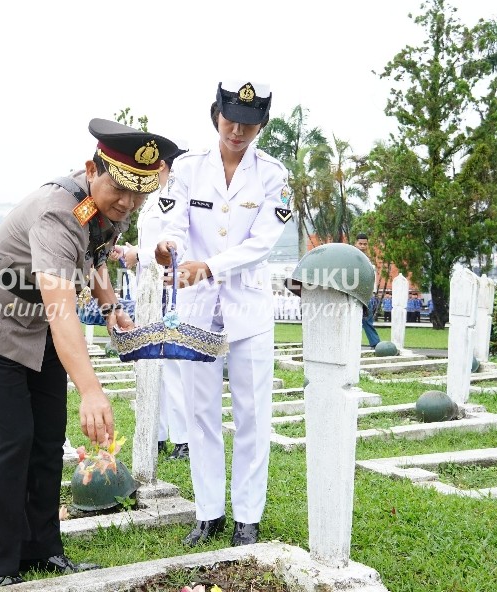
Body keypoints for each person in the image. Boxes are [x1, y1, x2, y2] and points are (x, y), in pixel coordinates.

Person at [0, 118, 179, 588]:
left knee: (48, 437)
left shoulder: (108, 205)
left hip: (34, 326)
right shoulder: (57, 212)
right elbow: (62, 314)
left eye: (139, 194)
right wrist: (91, 390)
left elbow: (94, 257)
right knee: (10, 440)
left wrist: (111, 305)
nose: (129, 203)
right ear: (93, 168)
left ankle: (42, 550)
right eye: (122, 190)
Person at [155, 80, 290, 547]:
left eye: (249, 123)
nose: (238, 130)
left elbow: (263, 243)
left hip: (248, 308)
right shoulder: (189, 168)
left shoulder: (273, 175)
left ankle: (248, 517)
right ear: (216, 114)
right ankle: (208, 512)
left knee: (254, 414)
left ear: (262, 125)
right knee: (200, 413)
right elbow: (174, 225)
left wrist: (209, 266)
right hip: (196, 308)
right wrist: (168, 249)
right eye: (231, 119)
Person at [113, 139, 191, 460]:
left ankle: (184, 439)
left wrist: (138, 254)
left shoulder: (174, 195)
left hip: (169, 288)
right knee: (150, 362)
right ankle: (156, 434)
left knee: (171, 363)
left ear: (162, 165)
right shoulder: (153, 199)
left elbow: (174, 246)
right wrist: (130, 251)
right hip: (148, 288)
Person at [355, 234, 381, 348]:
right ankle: (349, 344)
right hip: (353, 293)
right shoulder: (352, 257)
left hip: (367, 295)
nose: (362, 246)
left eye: (365, 244)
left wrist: (373, 294)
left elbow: (371, 278)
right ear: (356, 243)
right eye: (360, 244)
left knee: (367, 320)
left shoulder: (368, 261)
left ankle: (375, 344)